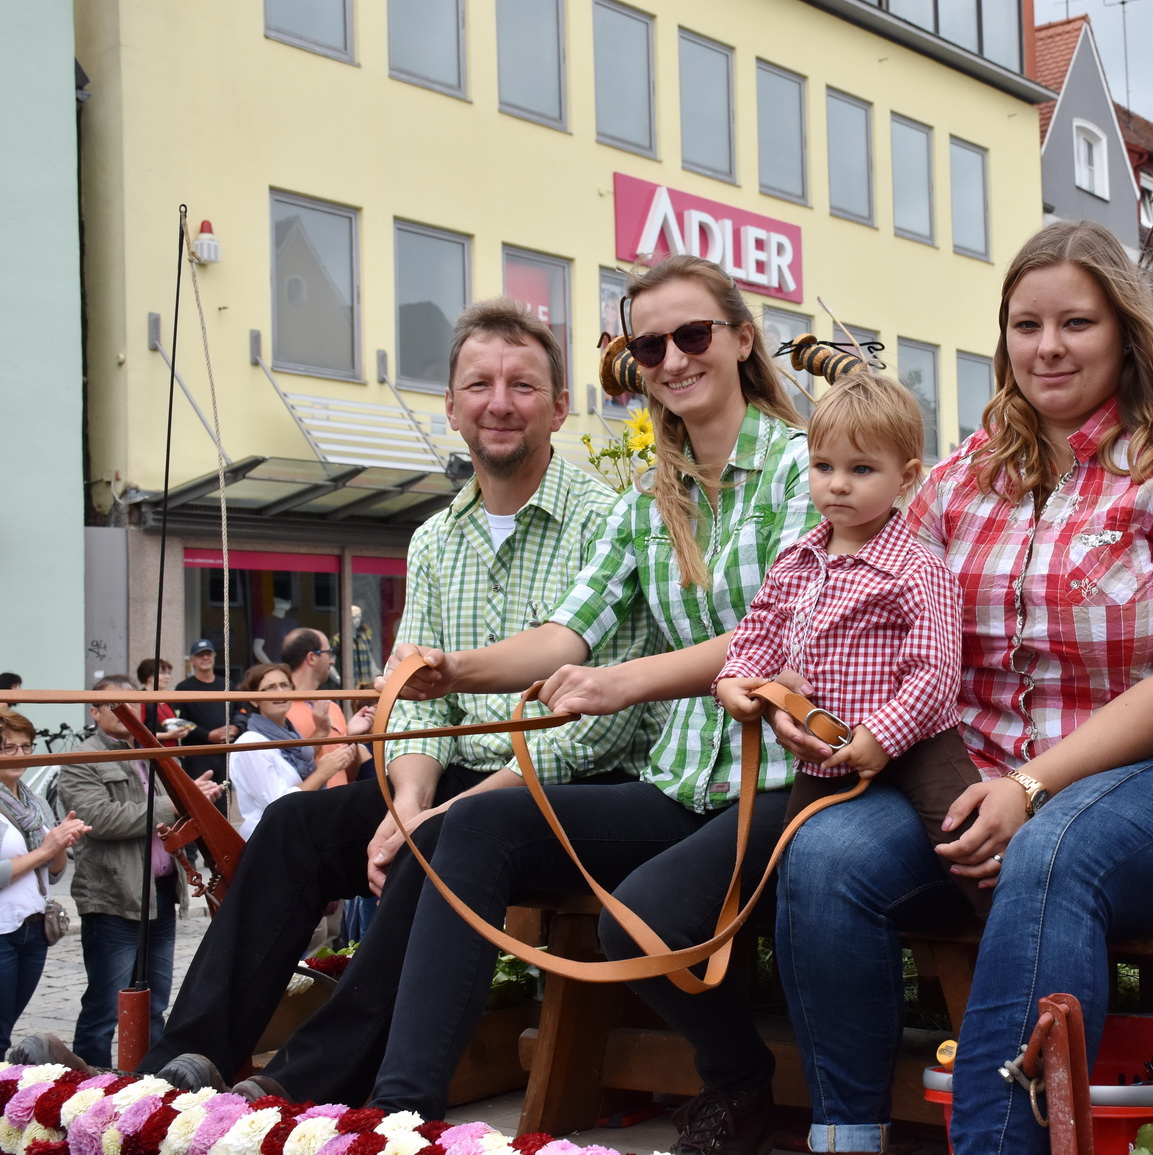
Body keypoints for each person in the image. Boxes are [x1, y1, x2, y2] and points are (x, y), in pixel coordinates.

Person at [771, 221, 1153, 1155]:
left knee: (1052, 850)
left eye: (1075, 322)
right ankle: (846, 1139)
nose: (1047, 346)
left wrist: (1032, 786)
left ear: (1124, 329)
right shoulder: (963, 474)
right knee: (826, 856)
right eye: (1025, 323)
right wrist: (794, 670)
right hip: (982, 778)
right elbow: (865, 595)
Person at [107, 298, 663, 1104]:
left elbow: (596, 723)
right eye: (478, 383)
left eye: (522, 385)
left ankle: (301, 1085)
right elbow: (416, 700)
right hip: (457, 783)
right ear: (450, 406)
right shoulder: (435, 538)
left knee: (451, 835)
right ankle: (188, 1060)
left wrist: (430, 820)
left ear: (560, 406)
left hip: (572, 785)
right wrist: (407, 800)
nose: (498, 402)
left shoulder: (604, 521)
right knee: (298, 824)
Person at [368, 253, 815, 1150]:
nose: (674, 358)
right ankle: (400, 1110)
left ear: (738, 338)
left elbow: (783, 634)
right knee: (475, 825)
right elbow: (566, 634)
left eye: (693, 335)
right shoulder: (653, 494)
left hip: (788, 773)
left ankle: (739, 1079)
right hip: (685, 778)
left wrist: (619, 682)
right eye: (651, 347)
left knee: (632, 922)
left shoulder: (796, 464)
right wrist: (453, 670)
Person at [713, 369, 985, 916]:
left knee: (973, 853)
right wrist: (735, 677)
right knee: (798, 867)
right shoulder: (796, 560)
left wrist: (883, 735)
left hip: (920, 746)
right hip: (824, 747)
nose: (837, 484)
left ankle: (1007, 946)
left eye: (862, 469)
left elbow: (934, 673)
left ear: (905, 477)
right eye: (823, 466)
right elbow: (761, 626)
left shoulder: (917, 569)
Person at [56, 675, 225, 1067]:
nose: (123, 712)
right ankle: (88, 1085)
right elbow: (101, 818)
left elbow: (172, 811)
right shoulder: (82, 758)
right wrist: (177, 804)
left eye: (130, 704)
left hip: (161, 891)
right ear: (93, 712)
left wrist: (193, 796)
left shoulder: (151, 750)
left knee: (155, 1001)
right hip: (115, 895)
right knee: (105, 1006)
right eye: (112, 705)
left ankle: (149, 1083)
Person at [0, 709, 90, 1050]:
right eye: (9, 747)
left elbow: (53, 874)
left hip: (34, 927)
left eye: (26, 747)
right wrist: (46, 849)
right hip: (2, 929)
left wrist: (61, 844)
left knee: (7, 1024)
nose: (20, 755)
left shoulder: (33, 801)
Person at [227, 663, 354, 837]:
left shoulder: (291, 738)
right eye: (270, 688)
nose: (280, 692)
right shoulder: (250, 743)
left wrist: (323, 732)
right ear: (253, 699)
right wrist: (322, 773)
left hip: (300, 834)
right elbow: (278, 805)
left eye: (284, 685)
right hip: (273, 843)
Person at [280, 628, 373, 784]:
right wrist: (319, 733)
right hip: (308, 805)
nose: (332, 661)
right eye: (329, 653)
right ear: (311, 658)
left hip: (340, 804)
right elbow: (286, 775)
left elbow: (348, 775)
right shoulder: (281, 708)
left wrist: (352, 738)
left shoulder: (332, 707)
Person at [174, 640, 239, 782]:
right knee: (199, 800)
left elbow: (240, 712)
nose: (205, 658)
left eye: (208, 654)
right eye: (200, 655)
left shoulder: (227, 684)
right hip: (197, 756)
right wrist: (207, 736)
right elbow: (180, 722)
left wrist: (236, 728)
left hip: (225, 754)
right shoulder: (183, 688)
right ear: (192, 660)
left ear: (214, 656)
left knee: (224, 800)